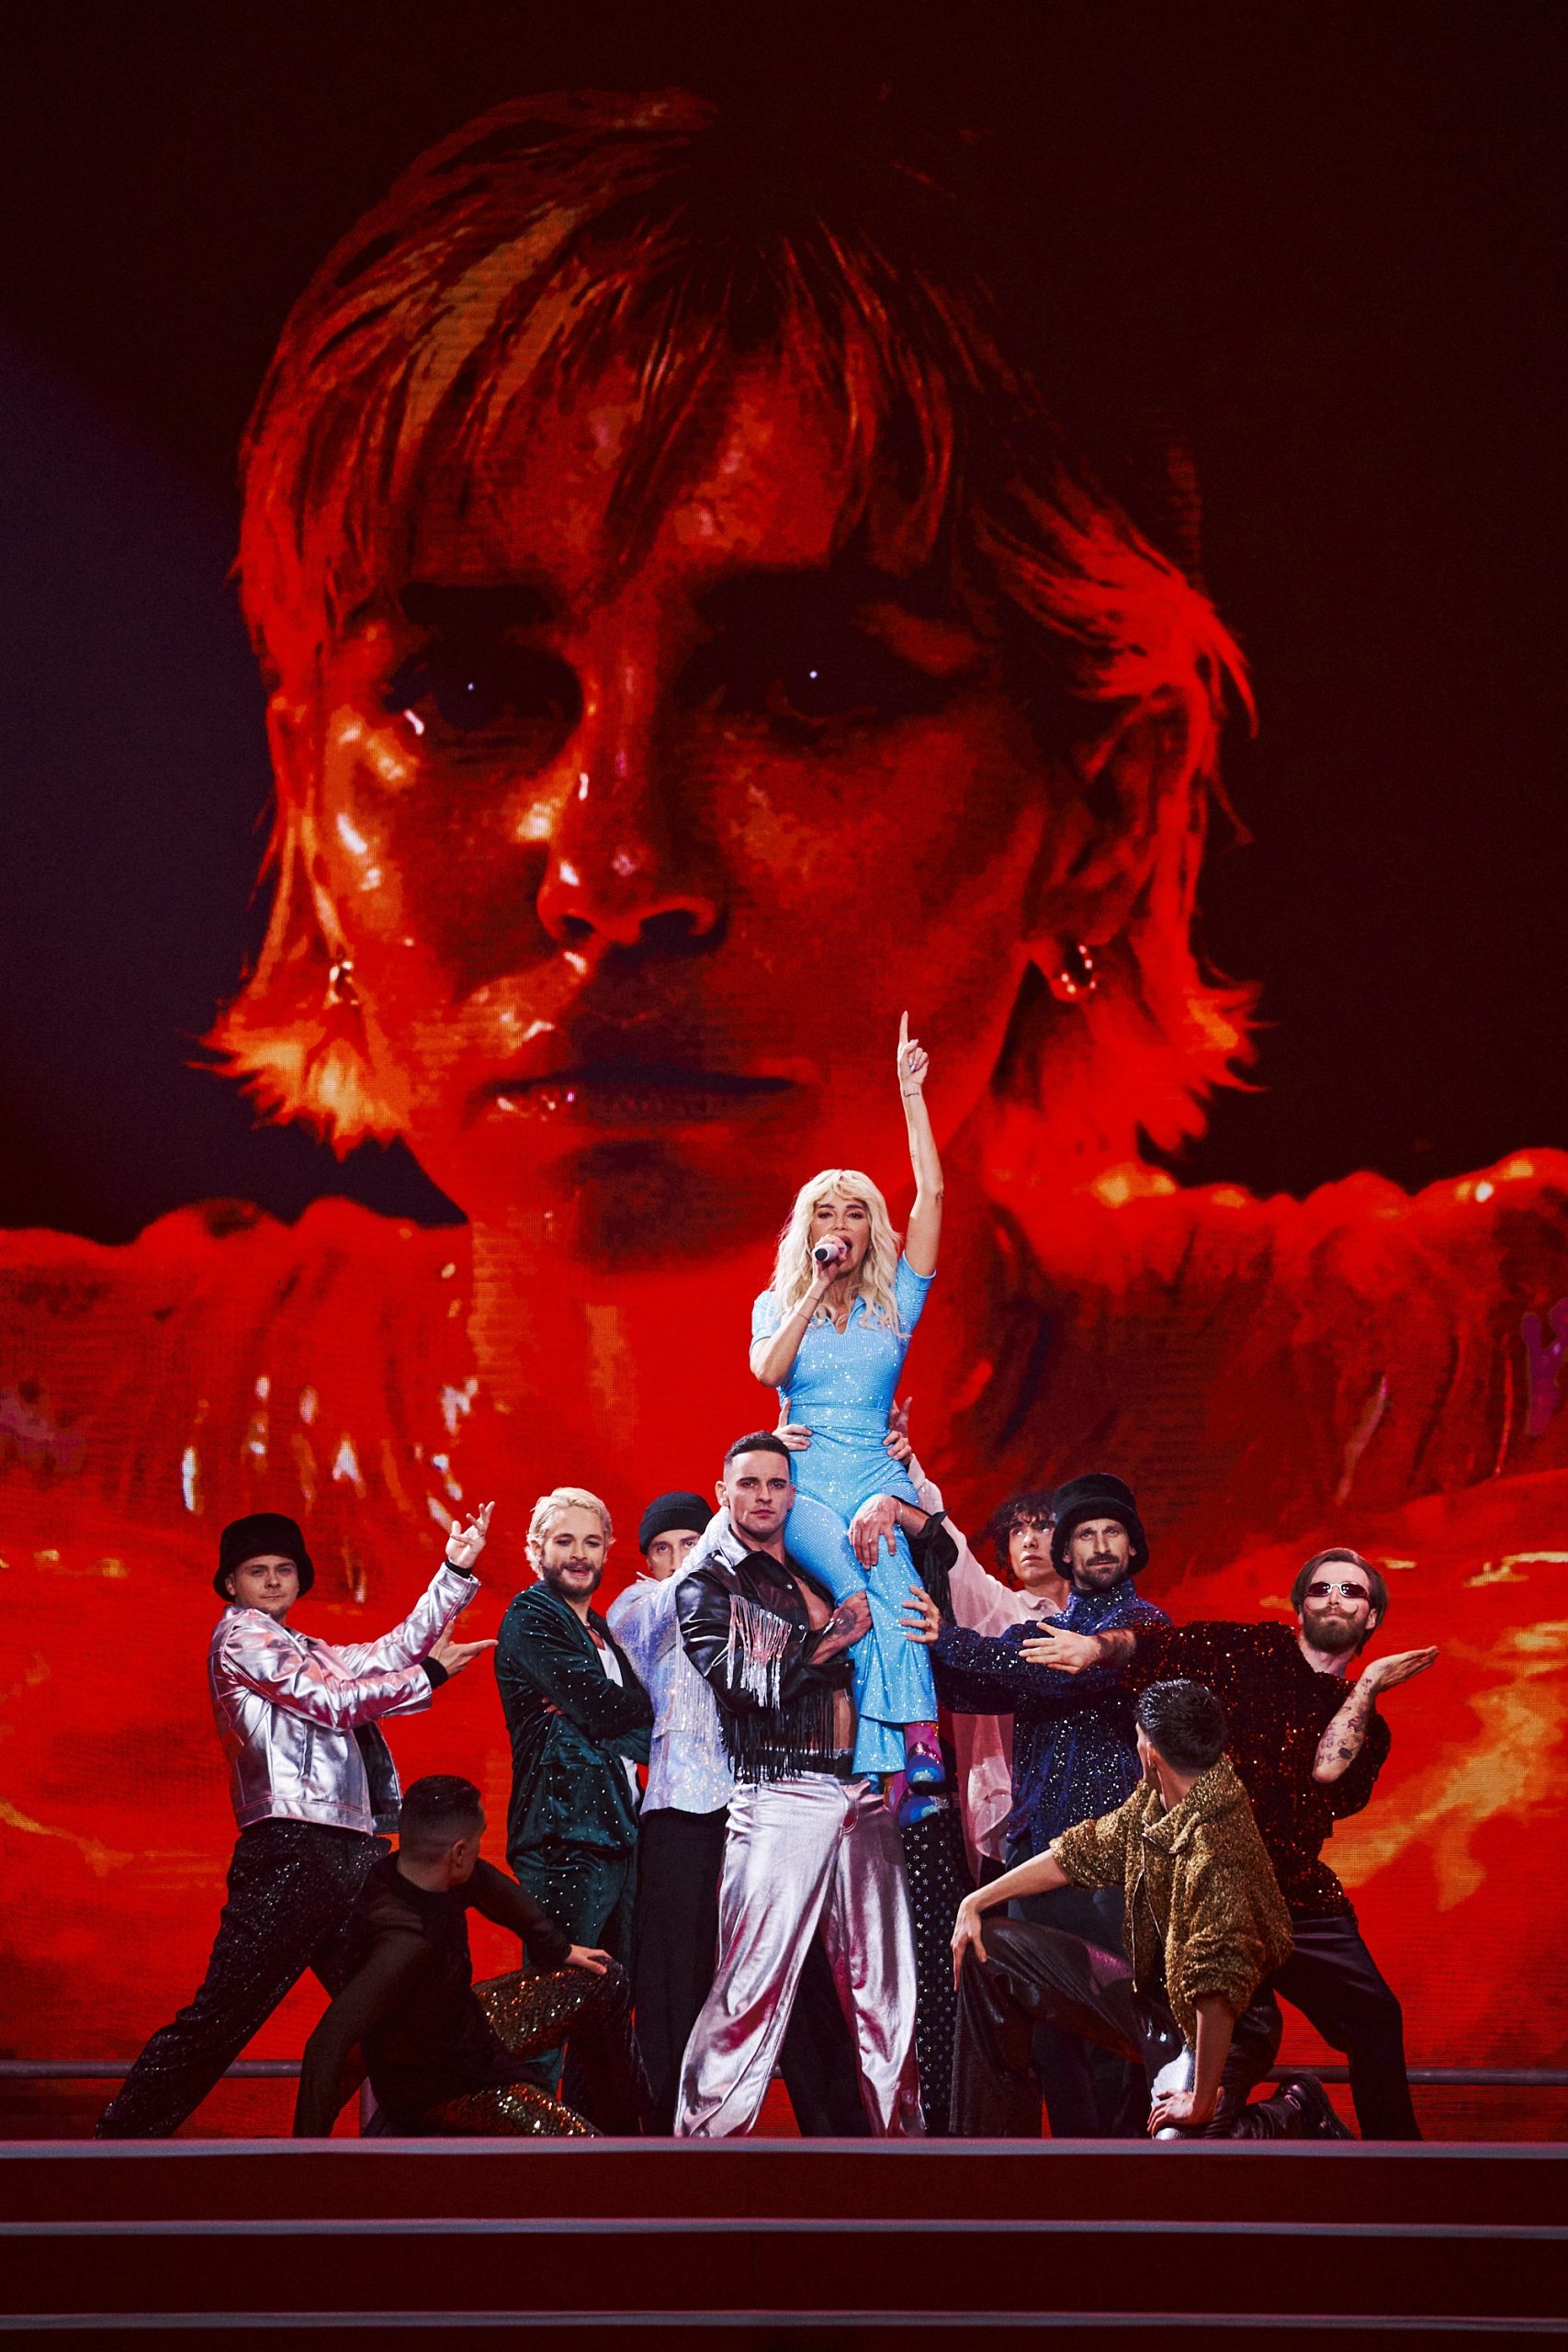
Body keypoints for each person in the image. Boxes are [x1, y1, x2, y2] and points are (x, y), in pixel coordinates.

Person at [6, 81, 1567, 2097]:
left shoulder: (1495, 1375)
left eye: (813, 682)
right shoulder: (49, 1431)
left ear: (1102, 806)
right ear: (310, 786)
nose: (611, 861)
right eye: (466, 690)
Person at [96, 1508, 493, 2138]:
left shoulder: (304, 1649)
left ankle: (423, 2149)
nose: (274, 1580)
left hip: (350, 1851)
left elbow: (388, 1653)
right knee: (223, 2017)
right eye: (258, 1571)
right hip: (293, 1850)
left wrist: (454, 1572)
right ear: (231, 1584)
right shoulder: (242, 1639)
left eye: (284, 1569)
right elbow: (333, 1703)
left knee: (404, 2005)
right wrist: (431, 1675)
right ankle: (114, 2147)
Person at [1025, 1548, 1438, 2138]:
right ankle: (1288, 2115)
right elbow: (1151, 1647)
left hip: (1294, 1899)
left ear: (1371, 1617)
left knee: (1375, 2018)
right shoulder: (1247, 1650)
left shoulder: (1366, 1726)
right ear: (1299, 1606)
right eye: (1321, 1588)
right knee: (1197, 2108)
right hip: (1206, 1894)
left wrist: (1367, 1685)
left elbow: (1326, 1772)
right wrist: (1096, 1648)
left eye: (1352, 1592)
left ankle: (1399, 2171)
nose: (1334, 1599)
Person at [949, 1679, 1346, 2141]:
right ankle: (993, 2151)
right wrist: (977, 1899)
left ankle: (1293, 2111)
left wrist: (1200, 2101)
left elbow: (1216, 1994)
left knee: (1175, 2149)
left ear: (1150, 1751)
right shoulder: (1158, 1800)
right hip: (1157, 1998)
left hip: (1226, 2027)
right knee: (991, 1949)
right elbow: (1081, 1851)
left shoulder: (1217, 1854)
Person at [904, 1472, 1168, 2133]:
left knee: (1115, 2033)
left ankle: (1126, 2173)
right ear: (1065, 1554)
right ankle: (1061, 2174)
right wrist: (934, 1642)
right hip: (1034, 1856)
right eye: (1085, 1535)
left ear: (1133, 1548)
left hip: (1110, 1864)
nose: (1100, 1546)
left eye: (1113, 1533)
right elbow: (973, 1689)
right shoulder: (1046, 1628)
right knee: (1047, 2039)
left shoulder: (1142, 1626)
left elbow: (1041, 1675)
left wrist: (946, 1640)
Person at [672, 1434, 920, 2137]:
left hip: (861, 1790)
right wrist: (833, 1640)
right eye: (748, 1483)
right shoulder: (711, 1583)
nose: (763, 1496)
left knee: (888, 1986)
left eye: (776, 1484)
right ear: (723, 1492)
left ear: (793, 1494)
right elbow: (741, 1682)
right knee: (750, 1984)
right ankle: (700, 2151)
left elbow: (919, 1585)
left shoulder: (829, 1564)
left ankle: (904, 2150)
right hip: (778, 1789)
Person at [604, 1488, 868, 2134]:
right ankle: (669, 2145)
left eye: (687, 1543)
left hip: (770, 1804)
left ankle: (843, 2143)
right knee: (675, 1985)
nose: (676, 1558)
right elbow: (678, 1601)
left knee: (797, 1974)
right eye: (661, 1549)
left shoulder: (758, 1603)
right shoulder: (636, 1605)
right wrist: (731, 1514)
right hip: (681, 1816)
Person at [747, 1020, 945, 1803]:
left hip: (872, 1469)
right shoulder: (776, 1302)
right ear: (808, 1230)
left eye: (854, 1212)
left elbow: (932, 1195)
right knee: (857, 1599)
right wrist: (812, 1292)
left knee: (893, 1587)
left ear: (871, 1228)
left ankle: (909, 1749)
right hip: (804, 1477)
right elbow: (767, 1369)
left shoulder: (896, 1303)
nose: (840, 1225)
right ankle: (895, 1753)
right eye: (826, 1213)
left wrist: (910, 1094)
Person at [294, 1774, 649, 2137]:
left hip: (465, 2029)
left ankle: (628, 2132)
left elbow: (488, 1886)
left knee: (602, 1977)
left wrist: (559, 1949)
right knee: (583, 2148)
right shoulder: (404, 1945)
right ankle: (610, 2149)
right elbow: (327, 2043)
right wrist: (307, 2157)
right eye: (479, 1841)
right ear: (459, 1853)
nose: (479, 1850)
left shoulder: (424, 1872)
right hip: (445, 2088)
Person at [493, 1486, 652, 1963]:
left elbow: (642, 1728)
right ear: (535, 1549)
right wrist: (611, 1708)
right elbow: (601, 1706)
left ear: (606, 1549)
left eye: (591, 1542)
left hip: (621, 1832)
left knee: (614, 1995)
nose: (580, 1555)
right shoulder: (532, 1614)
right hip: (564, 1837)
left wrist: (611, 1709)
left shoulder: (603, 1631)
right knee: (559, 1994)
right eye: (564, 1541)